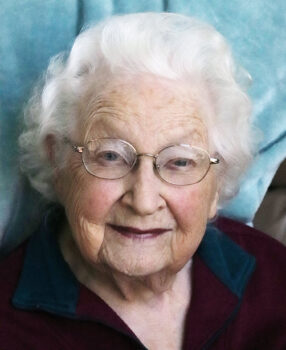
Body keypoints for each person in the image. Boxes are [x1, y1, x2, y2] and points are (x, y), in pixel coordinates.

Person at [0, 12, 285, 350]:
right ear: (58, 161)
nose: (144, 200)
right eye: (111, 156)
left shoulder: (275, 279)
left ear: (217, 180)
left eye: (179, 162)